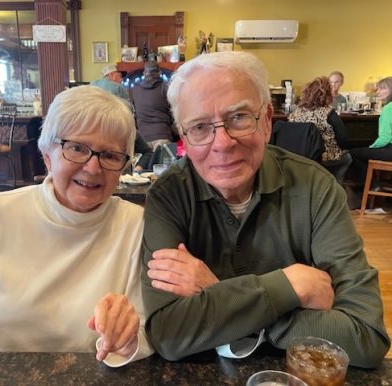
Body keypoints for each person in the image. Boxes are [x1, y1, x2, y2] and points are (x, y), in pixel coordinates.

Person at [140, 51, 390, 368]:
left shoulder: (316, 188)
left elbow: (365, 338)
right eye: (200, 127)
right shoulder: (168, 196)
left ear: (267, 121)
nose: (222, 143)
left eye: (239, 118)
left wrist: (219, 294)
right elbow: (169, 334)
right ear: (184, 137)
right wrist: (291, 288)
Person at [0, 86, 153, 380]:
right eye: (76, 148)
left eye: (110, 155)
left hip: (82, 376)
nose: (92, 168)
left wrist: (128, 340)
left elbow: (141, 329)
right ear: (47, 154)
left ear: (123, 166)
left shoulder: (136, 225)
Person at [288, 76, 352, 183]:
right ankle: (335, 188)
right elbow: (343, 140)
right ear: (327, 94)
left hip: (298, 155)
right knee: (347, 158)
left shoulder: (296, 112)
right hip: (322, 157)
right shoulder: (328, 113)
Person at [349, 76, 392, 185]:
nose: (378, 92)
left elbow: (385, 138)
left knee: (353, 153)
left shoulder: (388, 108)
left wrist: (370, 148)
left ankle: (371, 186)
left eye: (382, 89)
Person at [130, 61, 175, 150]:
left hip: (142, 138)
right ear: (159, 73)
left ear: (144, 73)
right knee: (165, 164)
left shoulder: (134, 89)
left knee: (143, 164)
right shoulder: (166, 88)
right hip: (163, 135)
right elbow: (174, 113)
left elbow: (133, 114)